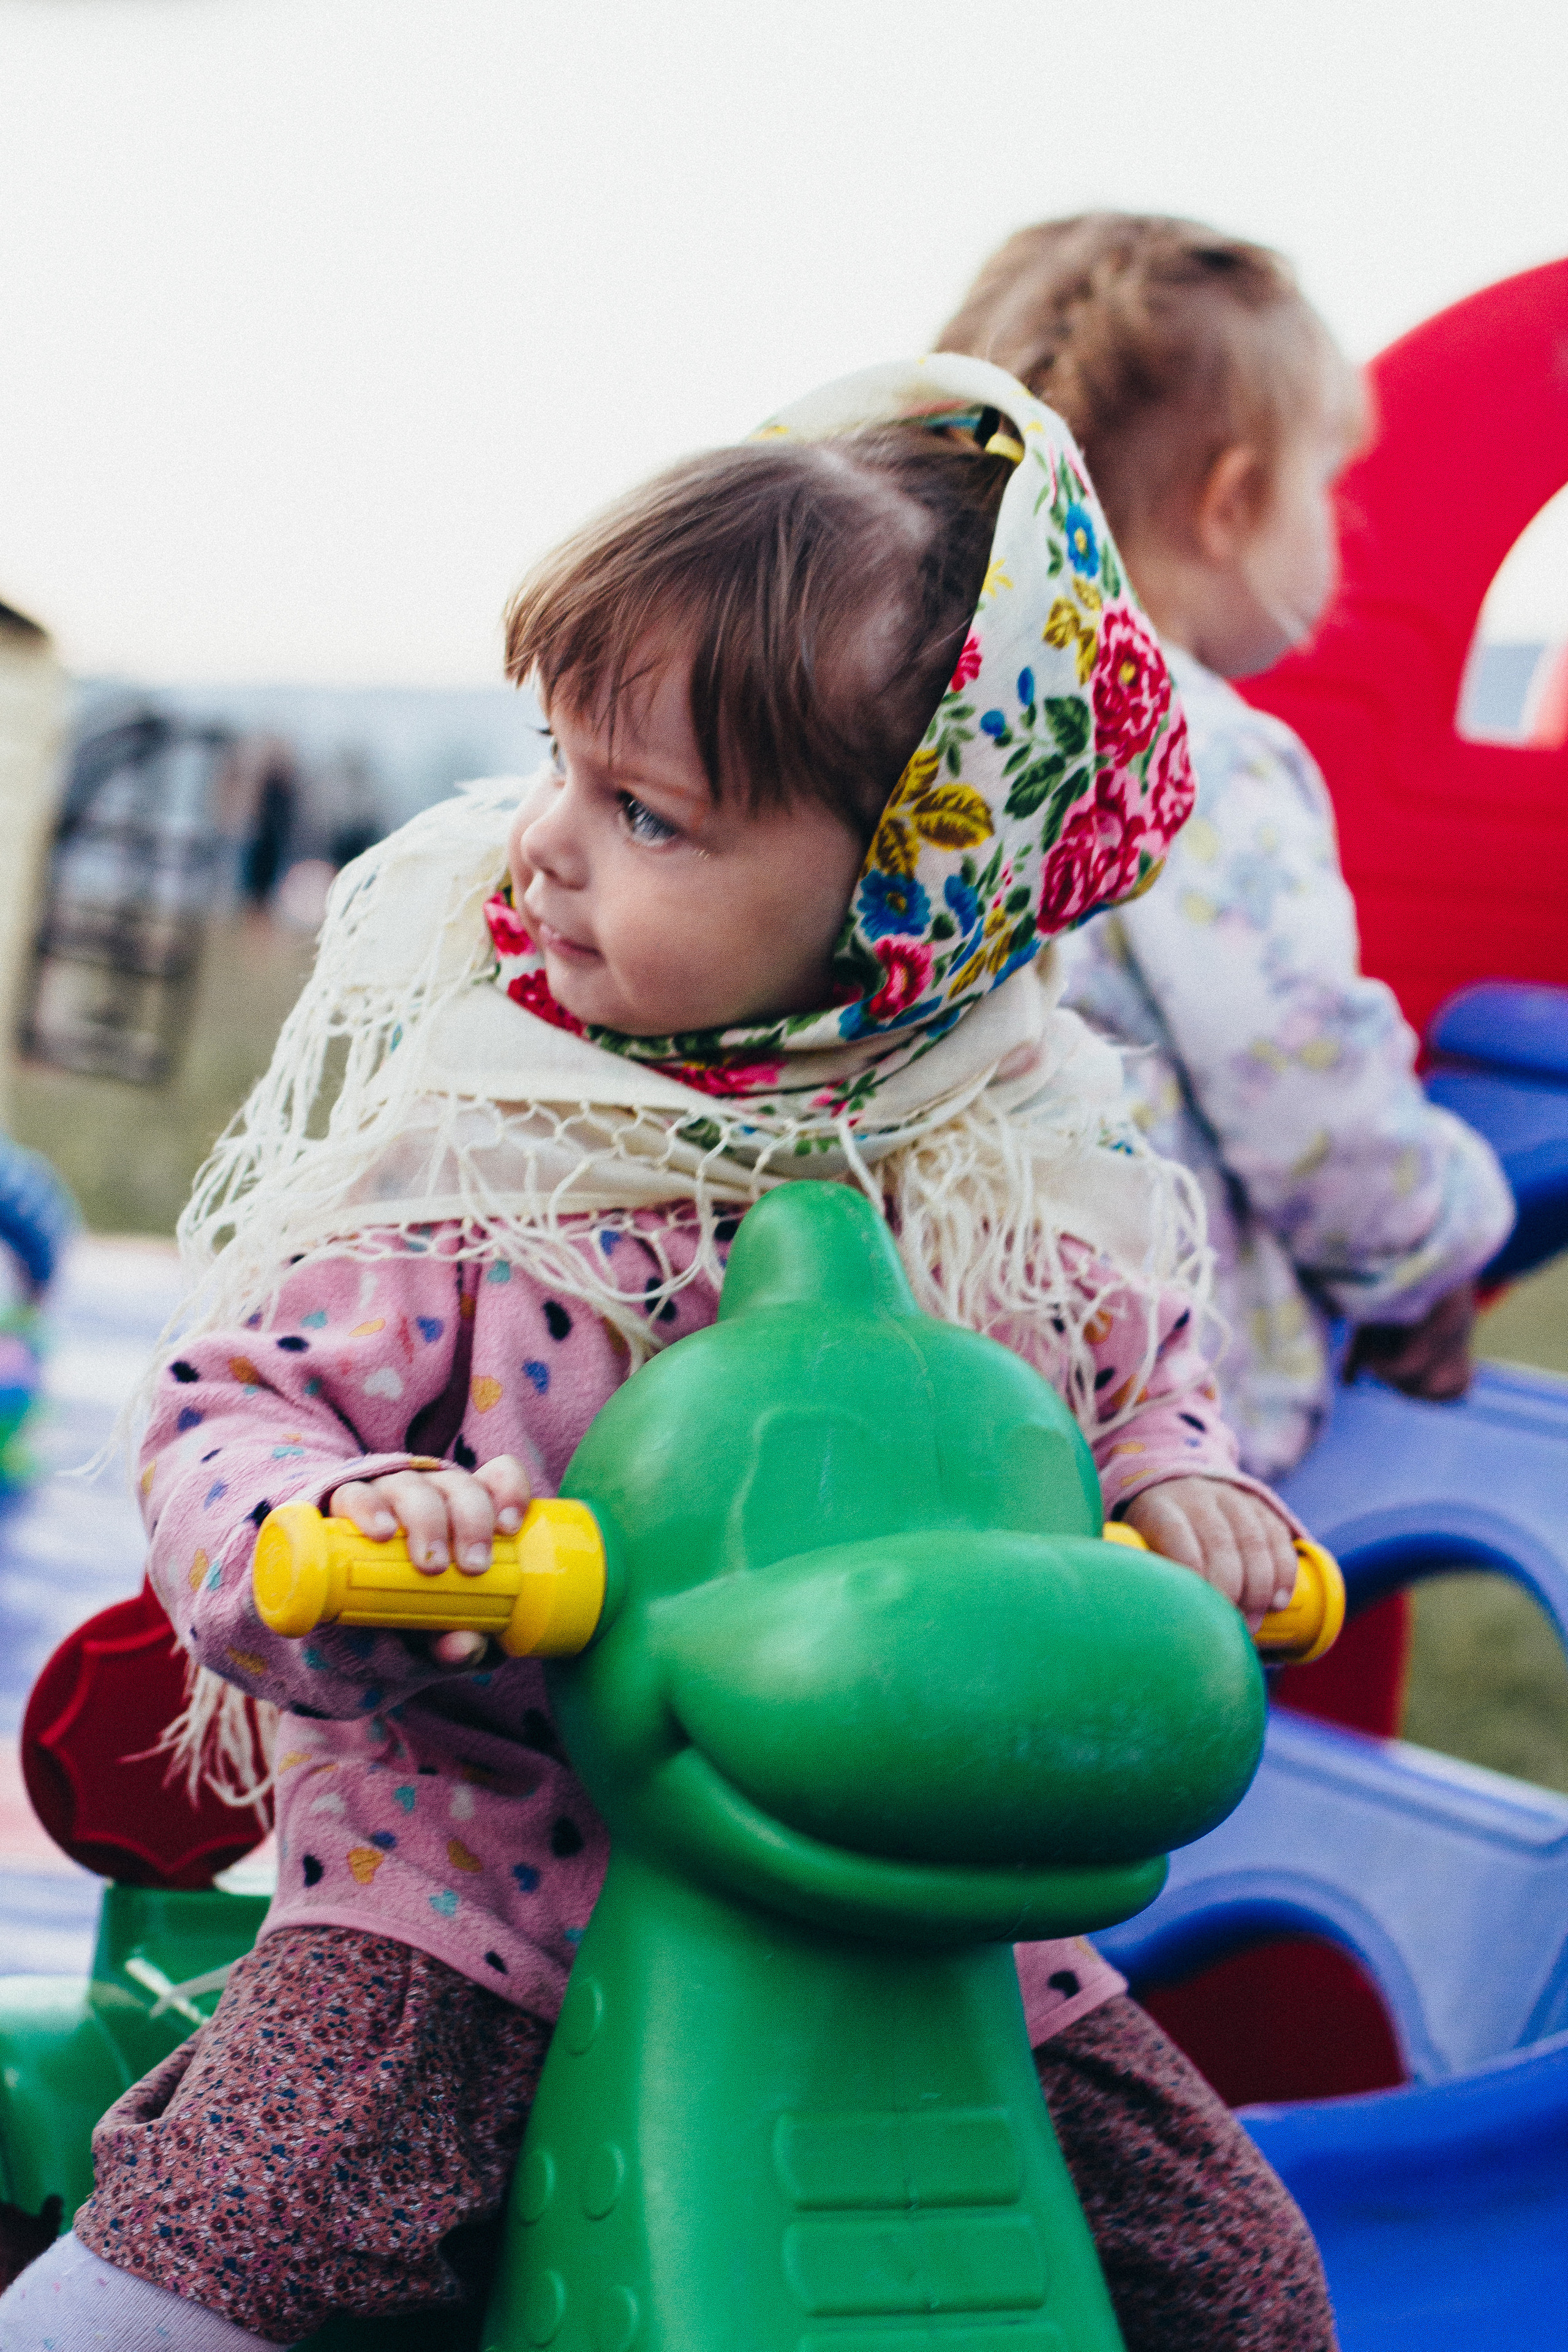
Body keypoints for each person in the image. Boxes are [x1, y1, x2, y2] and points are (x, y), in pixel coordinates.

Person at [0, 354, 1333, 2352]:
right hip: (483, 1885)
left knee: (1237, 2279)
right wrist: (344, 1512)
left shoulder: (1006, 1162)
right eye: (558, 760)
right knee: (240, 2245)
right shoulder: (489, 1146)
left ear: (908, 894)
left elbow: (1142, 1377)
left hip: (928, 1908)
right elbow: (229, 1410)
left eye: (645, 814)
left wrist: (1190, 1490)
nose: (542, 846)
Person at [938, 217, 1515, 1480]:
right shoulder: (1190, 746)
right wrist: (1435, 1251)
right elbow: (1295, 1065)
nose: (1336, 530)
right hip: (1136, 1400)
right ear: (1231, 502)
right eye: (1321, 485)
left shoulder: (912, 716)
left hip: (914, 1354)